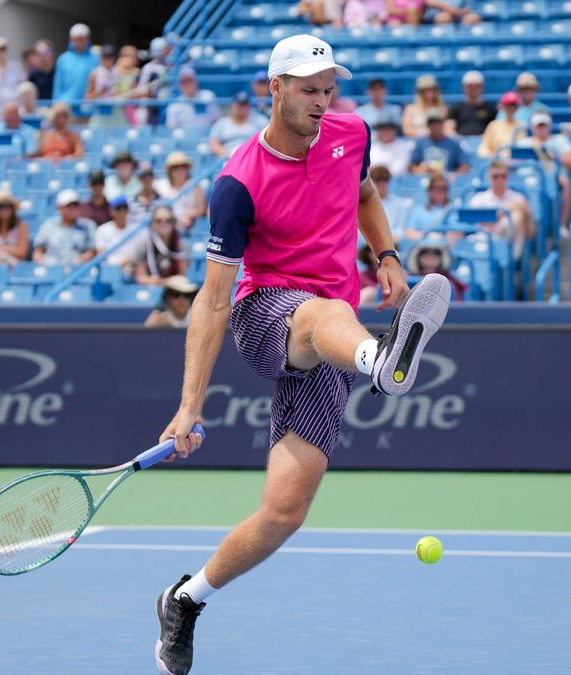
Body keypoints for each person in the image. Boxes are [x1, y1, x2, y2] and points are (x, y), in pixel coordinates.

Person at [153, 34, 451, 675]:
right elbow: (209, 303)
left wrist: (388, 256)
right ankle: (383, 362)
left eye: (329, 89)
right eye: (309, 89)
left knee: (285, 510)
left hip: (332, 337)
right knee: (327, 313)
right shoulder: (237, 183)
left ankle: (184, 600)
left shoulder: (351, 134)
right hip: (268, 318)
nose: (322, 102)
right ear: (276, 90)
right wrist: (188, 408)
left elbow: (364, 194)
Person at [467, 160, 534, 252]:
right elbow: (470, 226)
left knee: (517, 215)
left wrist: (527, 213)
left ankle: (503, 243)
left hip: (509, 248)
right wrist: (503, 212)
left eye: (503, 176)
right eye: (495, 177)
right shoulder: (478, 199)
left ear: (508, 177)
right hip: (481, 244)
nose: (499, 180)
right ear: (488, 177)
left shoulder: (519, 199)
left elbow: (530, 234)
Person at [34, 189, 97, 265]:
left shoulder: (87, 225)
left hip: (77, 268)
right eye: (69, 206)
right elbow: (38, 251)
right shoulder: (48, 225)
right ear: (59, 208)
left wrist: (78, 261)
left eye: (75, 205)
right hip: (51, 266)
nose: (73, 208)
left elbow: (91, 252)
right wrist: (44, 262)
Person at [154, 151, 207, 230]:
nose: (180, 170)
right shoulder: (159, 185)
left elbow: (201, 209)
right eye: (175, 167)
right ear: (170, 171)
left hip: (186, 225)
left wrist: (188, 215)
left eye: (183, 166)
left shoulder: (194, 185)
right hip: (165, 222)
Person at [136, 205, 187, 285]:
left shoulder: (181, 245)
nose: (163, 224)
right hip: (152, 289)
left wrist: (160, 281)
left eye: (168, 220)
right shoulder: (144, 244)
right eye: (159, 221)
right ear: (152, 224)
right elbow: (141, 277)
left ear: (173, 223)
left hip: (175, 293)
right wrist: (153, 280)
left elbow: (182, 277)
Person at [409, 108, 468, 175]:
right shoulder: (420, 143)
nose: (435, 126)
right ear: (427, 125)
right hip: (425, 181)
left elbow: (464, 166)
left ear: (443, 124)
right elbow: (412, 167)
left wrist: (454, 175)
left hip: (446, 181)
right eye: (431, 123)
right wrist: (420, 170)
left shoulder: (454, 144)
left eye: (437, 122)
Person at [209, 92, 269, 157]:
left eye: (244, 105)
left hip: (253, 157)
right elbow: (214, 144)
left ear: (249, 106)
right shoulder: (222, 123)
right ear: (233, 105)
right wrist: (228, 154)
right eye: (239, 105)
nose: (242, 108)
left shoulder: (260, 120)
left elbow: (269, 141)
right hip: (228, 158)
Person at [94, 195, 145, 267]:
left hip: (131, 269)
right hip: (110, 269)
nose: (122, 211)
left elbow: (139, 254)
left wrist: (125, 263)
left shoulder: (135, 229)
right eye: (118, 209)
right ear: (111, 211)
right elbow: (101, 254)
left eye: (125, 208)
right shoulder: (102, 230)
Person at [53, 24, 99, 103]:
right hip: (66, 105)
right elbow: (58, 84)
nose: (79, 41)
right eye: (77, 39)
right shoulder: (63, 58)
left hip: (89, 105)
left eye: (82, 38)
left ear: (87, 38)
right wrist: (56, 103)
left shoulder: (96, 57)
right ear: (72, 39)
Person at [165, 66, 219, 132]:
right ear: (179, 85)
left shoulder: (208, 96)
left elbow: (216, 121)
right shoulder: (174, 106)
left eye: (189, 80)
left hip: (206, 138)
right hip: (184, 139)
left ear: (196, 82)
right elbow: (171, 128)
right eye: (183, 81)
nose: (187, 84)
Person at [368, 165, 412, 242]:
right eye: (378, 180)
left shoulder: (401, 204)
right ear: (371, 181)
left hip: (392, 242)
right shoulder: (364, 204)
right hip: (368, 244)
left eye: (385, 179)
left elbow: (401, 229)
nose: (382, 184)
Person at [403, 171, 451, 240]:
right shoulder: (418, 210)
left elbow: (455, 234)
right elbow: (409, 232)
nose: (438, 191)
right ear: (429, 190)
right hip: (421, 248)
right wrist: (427, 237)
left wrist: (440, 239)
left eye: (443, 188)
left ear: (447, 191)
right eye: (434, 187)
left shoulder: (452, 210)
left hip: (445, 248)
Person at [448, 71, 495, 137]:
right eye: (470, 86)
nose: (473, 89)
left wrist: (484, 139)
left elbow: (495, 129)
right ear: (464, 87)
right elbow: (449, 128)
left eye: (477, 86)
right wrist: (460, 140)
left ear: (482, 87)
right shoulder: (456, 108)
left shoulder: (491, 109)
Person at [402, 74, 447, 138]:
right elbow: (406, 130)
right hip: (415, 143)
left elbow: (447, 129)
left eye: (432, 89)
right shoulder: (410, 108)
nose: (429, 92)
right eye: (424, 90)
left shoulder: (443, 108)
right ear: (419, 92)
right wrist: (426, 133)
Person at [477, 91, 520, 159]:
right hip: (496, 163)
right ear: (503, 106)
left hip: (516, 163)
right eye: (508, 105)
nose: (510, 108)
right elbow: (483, 148)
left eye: (513, 105)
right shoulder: (493, 125)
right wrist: (492, 156)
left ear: (517, 108)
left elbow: (522, 148)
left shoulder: (521, 126)